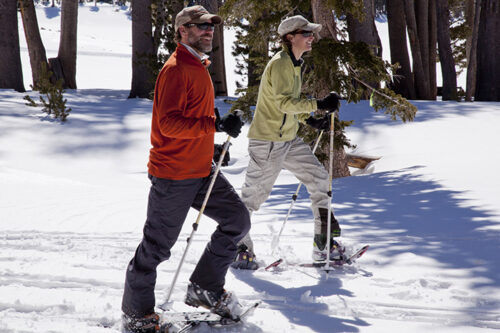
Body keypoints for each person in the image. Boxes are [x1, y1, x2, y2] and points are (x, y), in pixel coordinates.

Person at [121, 6, 249, 332]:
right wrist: (213, 124)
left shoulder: (198, 66)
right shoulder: (177, 69)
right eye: (201, 26)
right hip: (174, 174)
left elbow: (193, 120)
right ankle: (137, 314)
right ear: (182, 30)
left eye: (211, 26)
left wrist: (213, 144)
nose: (209, 30)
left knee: (237, 220)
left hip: (201, 168)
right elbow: (169, 123)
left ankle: (204, 287)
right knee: (157, 248)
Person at [232, 15, 342, 270]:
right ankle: (238, 248)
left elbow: (287, 104)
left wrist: (310, 120)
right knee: (253, 198)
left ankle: (324, 244)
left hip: (288, 139)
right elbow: (283, 103)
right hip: (268, 141)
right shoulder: (281, 63)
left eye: (311, 33)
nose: (311, 37)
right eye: (306, 33)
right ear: (290, 37)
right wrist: (318, 104)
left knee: (318, 178)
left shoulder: (295, 63)